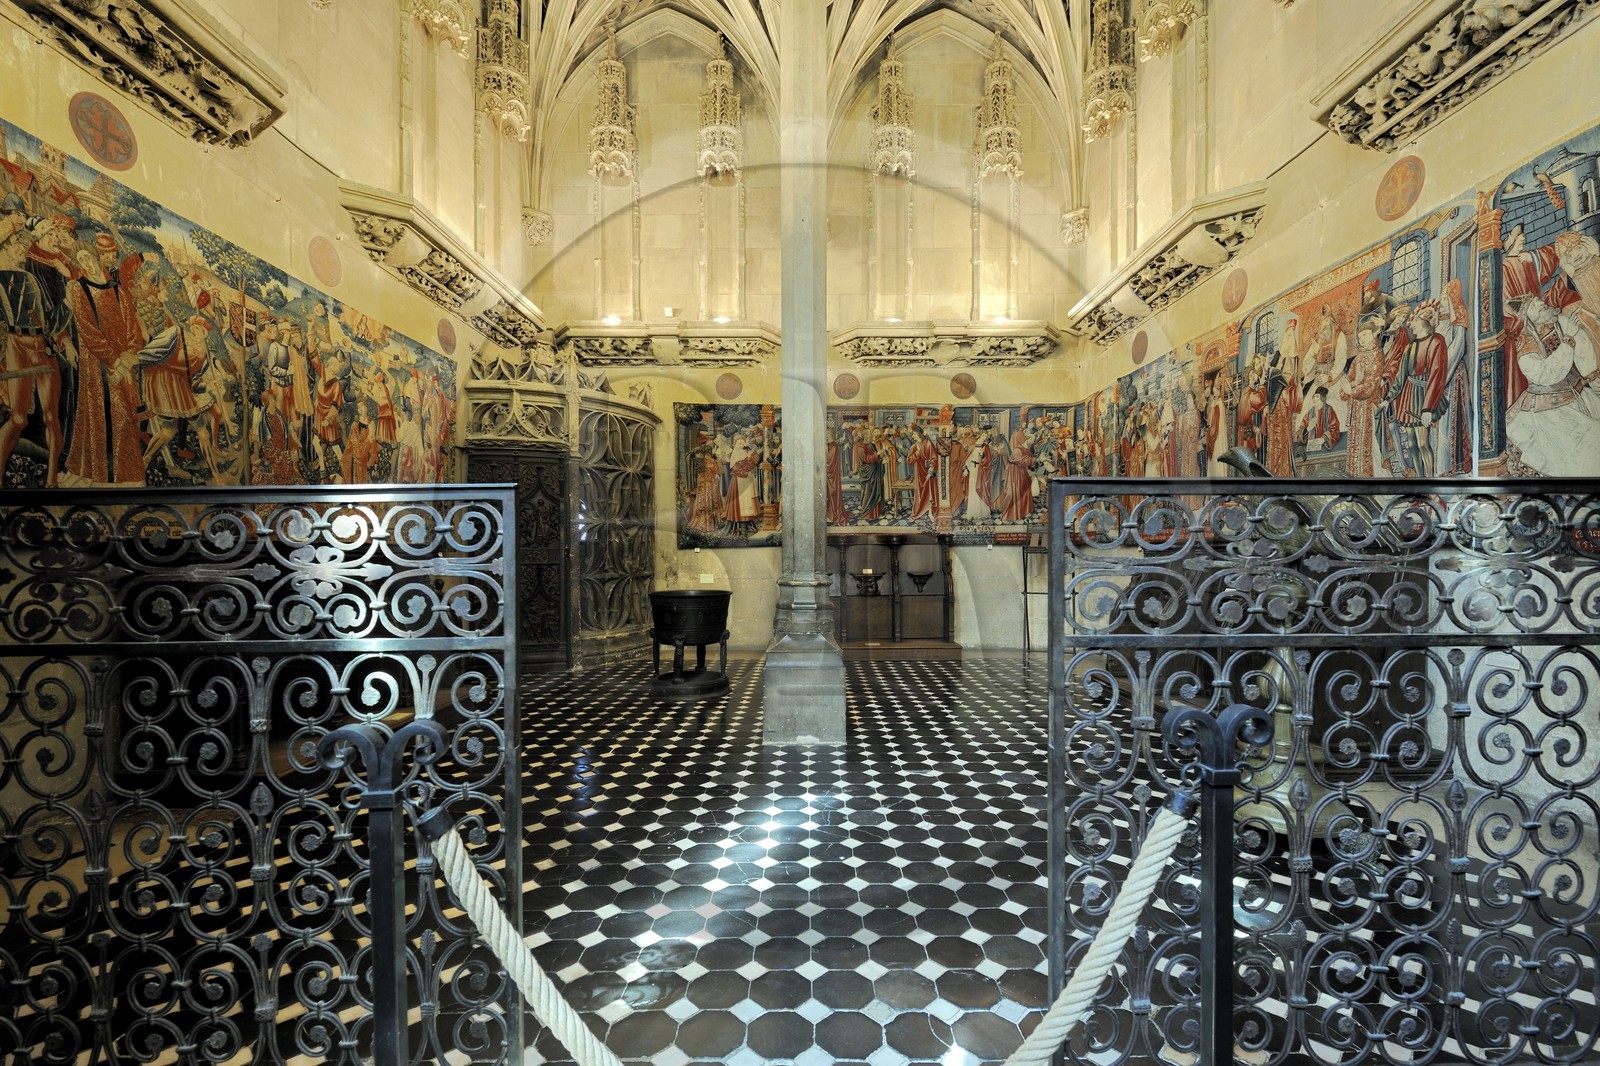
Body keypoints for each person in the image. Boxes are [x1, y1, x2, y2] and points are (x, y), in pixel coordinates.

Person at [1503, 293, 1600, 475]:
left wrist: (1593, 379)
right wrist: (1568, 342)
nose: (1541, 303)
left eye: (1539, 300)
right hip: (1549, 409)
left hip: (1579, 394)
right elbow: (1546, 374)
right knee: (1587, 446)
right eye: (1534, 305)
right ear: (1527, 317)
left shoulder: (1559, 321)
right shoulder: (1525, 343)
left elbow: (1583, 347)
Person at [1382, 301, 1450, 477]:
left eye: (1414, 321)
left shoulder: (1437, 341)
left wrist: (1428, 408)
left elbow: (1437, 375)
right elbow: (1400, 376)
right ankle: (1420, 482)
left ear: (1424, 322)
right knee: (1412, 444)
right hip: (1409, 397)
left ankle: (1431, 482)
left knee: (1422, 443)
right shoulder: (1410, 347)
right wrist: (1387, 398)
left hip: (1425, 396)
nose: (1410, 324)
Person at [1340, 314, 1386, 477]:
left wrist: (1352, 390)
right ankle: (1355, 476)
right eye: (1359, 337)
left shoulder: (1377, 355)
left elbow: (1371, 384)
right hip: (1355, 407)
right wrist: (1346, 389)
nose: (1362, 339)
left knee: (1369, 444)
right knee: (1354, 443)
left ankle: (1368, 479)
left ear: (1373, 334)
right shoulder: (1358, 357)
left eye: (1365, 335)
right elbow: (1349, 378)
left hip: (1368, 406)